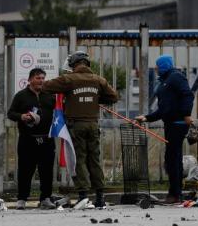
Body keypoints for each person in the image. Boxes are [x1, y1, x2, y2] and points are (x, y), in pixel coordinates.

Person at [43, 51, 118, 208]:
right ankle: (100, 197)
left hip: (76, 125)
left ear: (74, 63)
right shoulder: (99, 80)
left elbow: (47, 86)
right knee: (95, 160)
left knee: (79, 159)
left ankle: (83, 195)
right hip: (93, 124)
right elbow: (113, 97)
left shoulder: (68, 79)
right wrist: (96, 98)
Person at [135, 55, 194, 204]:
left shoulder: (176, 78)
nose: (155, 68)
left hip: (178, 123)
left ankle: (174, 194)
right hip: (171, 123)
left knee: (172, 159)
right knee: (173, 159)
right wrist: (147, 118)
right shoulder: (165, 81)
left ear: (164, 65)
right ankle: (176, 193)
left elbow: (187, 95)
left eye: (157, 65)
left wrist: (187, 114)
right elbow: (164, 109)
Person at [7, 68, 56, 210]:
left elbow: (59, 111)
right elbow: (11, 113)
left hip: (46, 139)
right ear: (30, 80)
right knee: (25, 170)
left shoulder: (49, 96)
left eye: (42, 78)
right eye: (37, 78)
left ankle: (45, 198)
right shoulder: (21, 96)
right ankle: (22, 199)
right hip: (27, 140)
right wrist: (21, 116)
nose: (40, 81)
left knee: (46, 171)